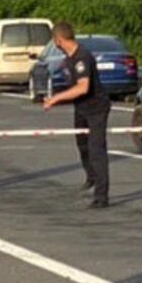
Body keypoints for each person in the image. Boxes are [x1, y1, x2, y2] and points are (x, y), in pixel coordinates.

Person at [41, 21, 110, 208]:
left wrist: (56, 99)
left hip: (97, 108)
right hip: (81, 107)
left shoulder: (82, 57)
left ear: (59, 40)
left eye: (55, 41)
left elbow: (83, 87)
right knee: (82, 145)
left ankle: (101, 196)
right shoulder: (68, 58)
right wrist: (57, 99)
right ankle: (92, 176)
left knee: (97, 150)